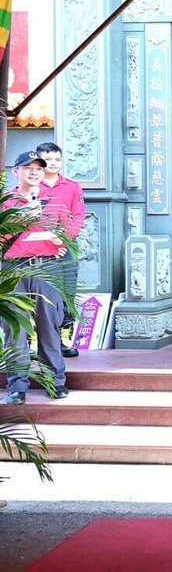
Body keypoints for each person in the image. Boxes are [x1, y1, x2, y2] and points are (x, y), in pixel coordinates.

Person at [2, 151, 71, 404]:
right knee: (15, 327)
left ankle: (55, 381)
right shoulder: (5, 202)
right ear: (15, 171)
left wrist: (60, 242)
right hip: (13, 269)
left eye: (39, 168)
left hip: (47, 268)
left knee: (49, 325)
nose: (34, 172)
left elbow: (65, 232)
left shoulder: (54, 201)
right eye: (28, 167)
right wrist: (21, 220)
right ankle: (17, 387)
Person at [36, 142, 85, 358]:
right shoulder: (31, 186)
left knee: (67, 293)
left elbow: (78, 217)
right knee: (38, 294)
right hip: (37, 249)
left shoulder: (72, 186)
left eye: (57, 159)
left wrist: (63, 241)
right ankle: (35, 341)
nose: (53, 163)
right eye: (48, 159)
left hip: (66, 248)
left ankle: (65, 340)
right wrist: (47, 243)